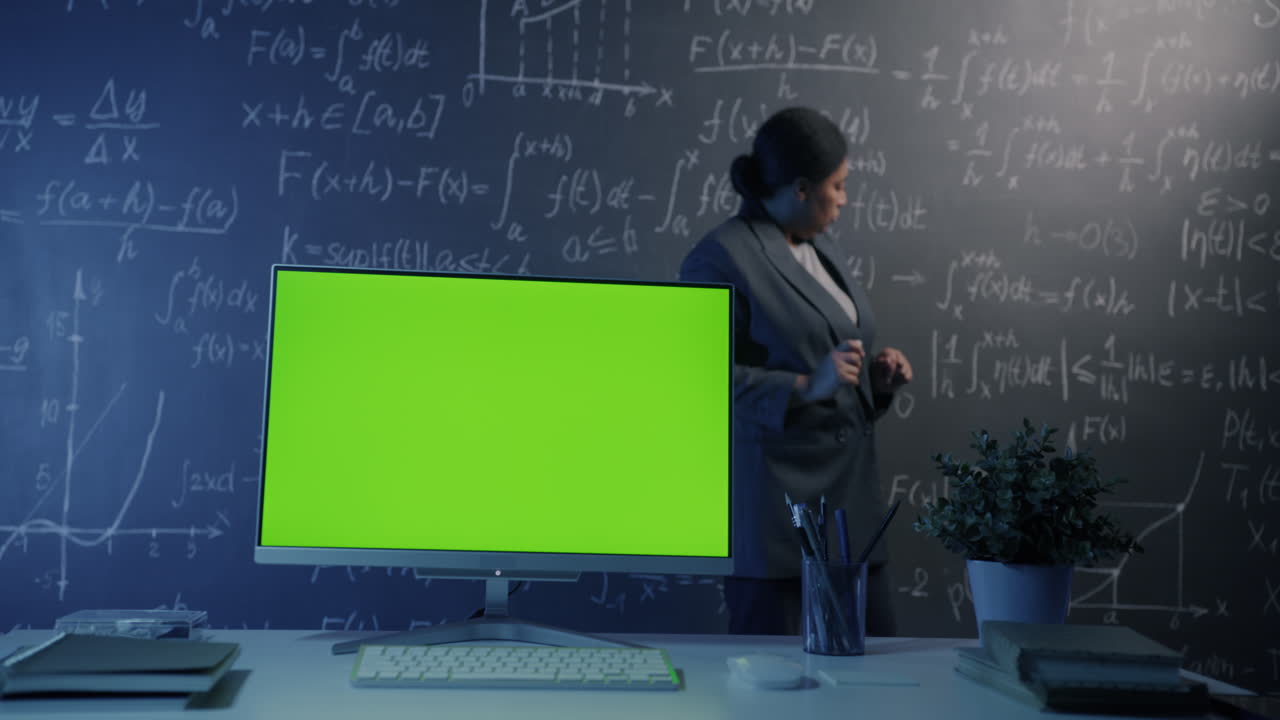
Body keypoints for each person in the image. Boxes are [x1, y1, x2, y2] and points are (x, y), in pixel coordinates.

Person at [679, 106, 912, 636]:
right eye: (839, 185)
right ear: (802, 189)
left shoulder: (816, 246)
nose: (845, 200)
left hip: (850, 508)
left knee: (871, 680)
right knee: (774, 690)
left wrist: (874, 383)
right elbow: (696, 382)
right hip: (779, 518)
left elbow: (829, 353)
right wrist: (805, 385)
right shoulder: (719, 257)